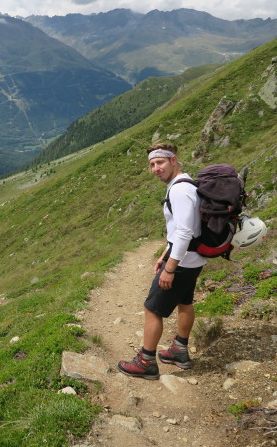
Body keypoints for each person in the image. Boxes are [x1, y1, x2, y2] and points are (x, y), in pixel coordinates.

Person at [117, 142, 206, 380]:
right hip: (192, 259)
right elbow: (179, 231)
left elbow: (185, 232)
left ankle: (146, 362)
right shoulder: (185, 184)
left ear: (174, 161)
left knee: (152, 309)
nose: (156, 168)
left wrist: (170, 267)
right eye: (152, 164)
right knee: (184, 302)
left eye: (160, 162)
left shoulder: (179, 190)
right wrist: (164, 254)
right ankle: (179, 351)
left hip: (183, 262)